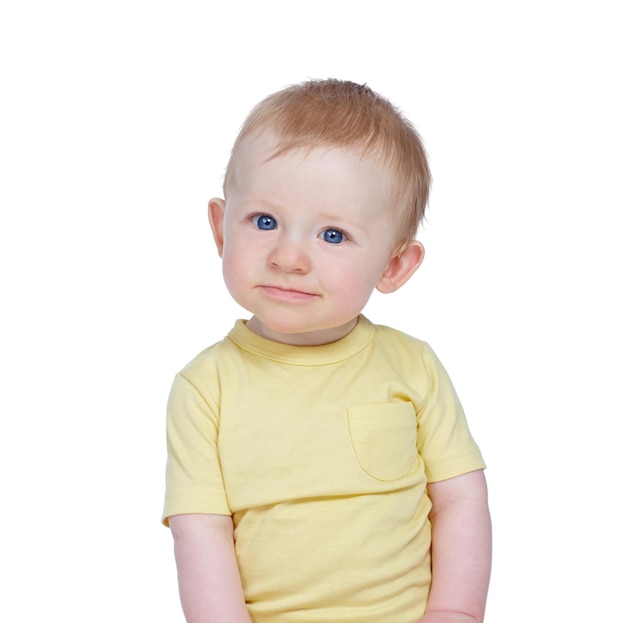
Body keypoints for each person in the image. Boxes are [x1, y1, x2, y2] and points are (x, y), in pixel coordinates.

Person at [162, 79, 491, 623]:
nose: (289, 256)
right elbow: (202, 530)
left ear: (393, 265)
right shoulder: (205, 388)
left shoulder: (414, 368)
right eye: (263, 222)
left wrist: (455, 612)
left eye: (333, 235)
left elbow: (460, 500)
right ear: (221, 229)